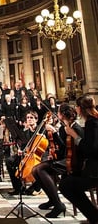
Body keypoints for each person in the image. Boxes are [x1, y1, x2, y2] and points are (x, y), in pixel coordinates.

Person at [32, 103, 84, 218]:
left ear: (62, 115)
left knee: (41, 169)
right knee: (35, 170)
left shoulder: (76, 128)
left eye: (59, 112)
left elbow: (75, 150)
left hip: (74, 162)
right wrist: (53, 154)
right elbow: (62, 150)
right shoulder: (62, 128)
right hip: (65, 159)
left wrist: (54, 134)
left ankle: (58, 204)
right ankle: (52, 199)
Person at [60, 95, 98, 223]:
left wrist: (74, 135)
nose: (76, 109)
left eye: (77, 106)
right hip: (93, 167)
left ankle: (94, 217)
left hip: (95, 171)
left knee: (66, 185)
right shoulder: (93, 120)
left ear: (80, 108)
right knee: (68, 181)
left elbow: (90, 149)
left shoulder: (92, 122)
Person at [5, 110, 39, 195]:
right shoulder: (24, 132)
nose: (29, 119)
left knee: (38, 166)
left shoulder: (40, 130)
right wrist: (20, 150)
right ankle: (18, 187)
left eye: (31, 117)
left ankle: (37, 187)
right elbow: (23, 145)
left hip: (38, 154)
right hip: (26, 154)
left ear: (36, 119)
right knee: (9, 161)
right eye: (27, 118)